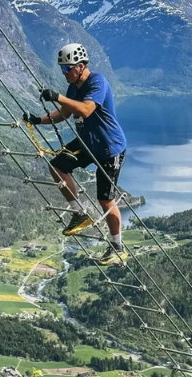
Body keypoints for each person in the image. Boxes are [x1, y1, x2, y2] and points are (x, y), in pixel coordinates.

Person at [23, 43, 128, 266]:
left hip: (109, 148)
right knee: (57, 166)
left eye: (67, 69)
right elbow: (65, 113)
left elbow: (86, 109)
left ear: (80, 67)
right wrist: (37, 120)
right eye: (62, 69)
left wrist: (58, 96)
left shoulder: (97, 82)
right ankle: (79, 213)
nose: (64, 73)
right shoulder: (73, 87)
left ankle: (117, 245)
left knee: (105, 199)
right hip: (87, 143)